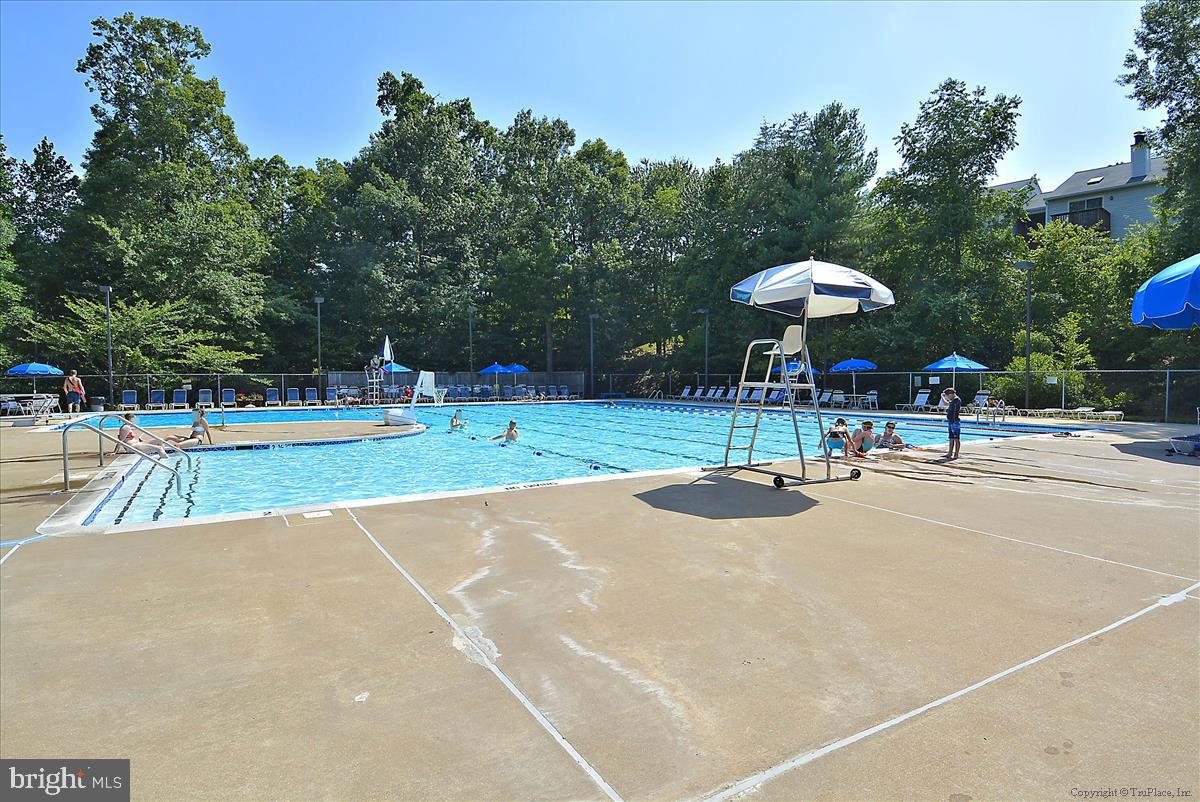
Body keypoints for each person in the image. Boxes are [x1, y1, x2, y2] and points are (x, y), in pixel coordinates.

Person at [942, 387, 962, 459]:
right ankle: (950, 453)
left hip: (955, 421)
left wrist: (942, 397)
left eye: (947, 395)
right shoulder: (953, 400)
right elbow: (946, 403)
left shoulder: (956, 400)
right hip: (951, 421)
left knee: (956, 438)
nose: (947, 397)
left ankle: (956, 454)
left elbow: (945, 403)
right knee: (951, 438)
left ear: (950, 394)